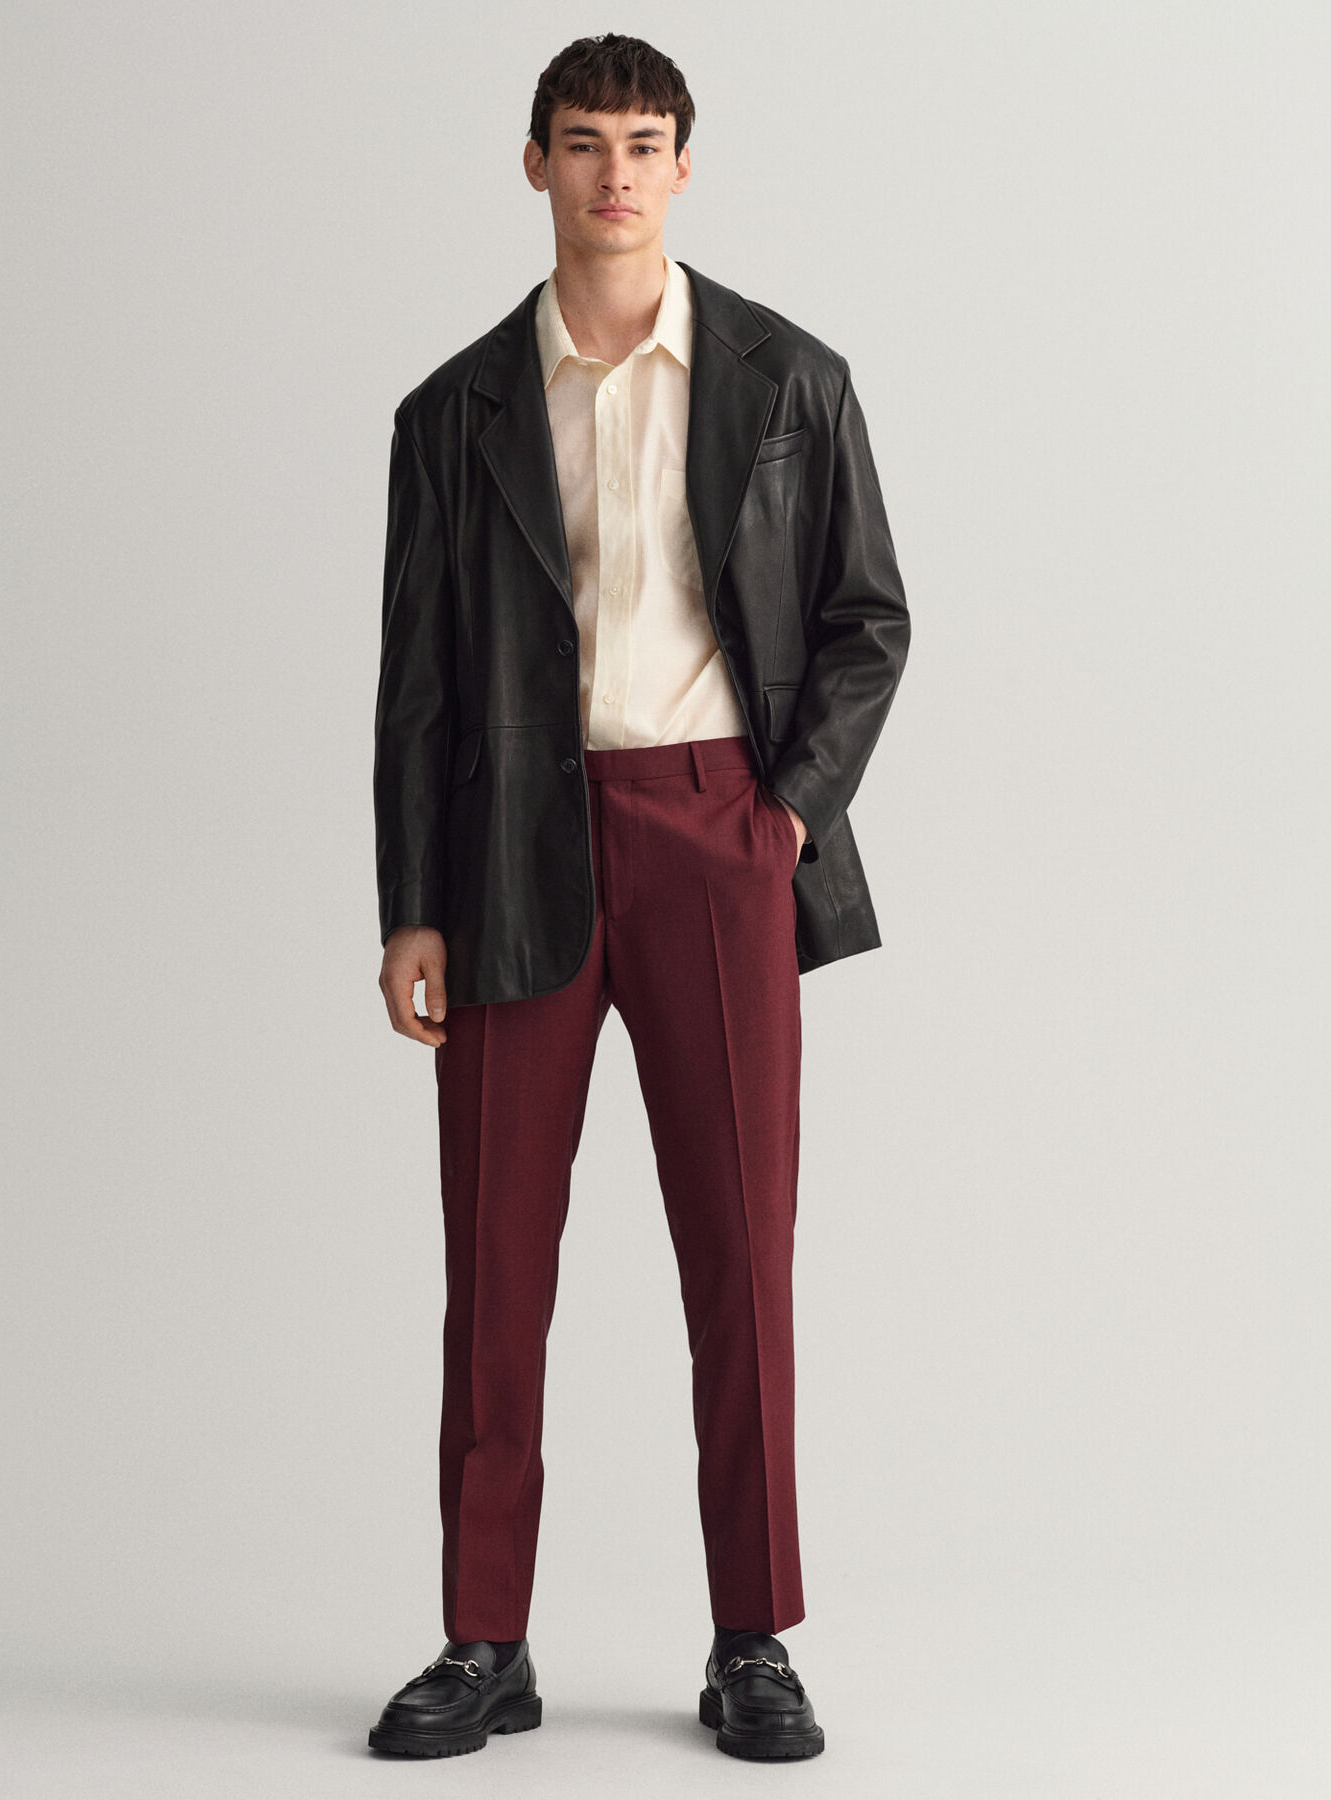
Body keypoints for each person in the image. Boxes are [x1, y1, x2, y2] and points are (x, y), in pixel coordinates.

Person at [367, 32, 909, 1762]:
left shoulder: (789, 378)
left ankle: (754, 1637)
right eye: (586, 142)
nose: (617, 172)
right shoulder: (454, 411)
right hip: (509, 845)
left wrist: (785, 818)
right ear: (533, 162)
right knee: (492, 1257)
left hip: (714, 831)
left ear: (686, 165)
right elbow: (417, 684)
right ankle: (483, 1639)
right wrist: (411, 902)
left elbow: (868, 619)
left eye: (646, 142)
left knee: (742, 1249)